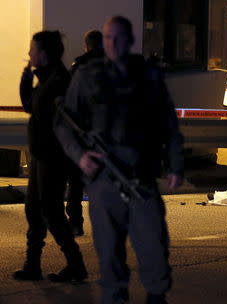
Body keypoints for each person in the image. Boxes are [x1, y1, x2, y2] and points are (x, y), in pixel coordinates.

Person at [55, 16, 184, 304]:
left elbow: (168, 124)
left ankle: (156, 296)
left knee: (154, 248)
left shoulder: (148, 76)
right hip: (103, 181)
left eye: (118, 37)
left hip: (141, 177)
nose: (112, 43)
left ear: (130, 40)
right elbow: (64, 124)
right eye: (107, 37)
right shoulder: (87, 75)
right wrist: (80, 156)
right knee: (109, 256)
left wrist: (175, 165)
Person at [15, 30, 87, 283]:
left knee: (51, 211)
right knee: (34, 210)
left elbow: (45, 114)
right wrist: (26, 82)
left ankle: (75, 264)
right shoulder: (46, 78)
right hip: (40, 155)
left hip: (53, 156)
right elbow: (31, 108)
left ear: (43, 54)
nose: (29, 53)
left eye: (32, 49)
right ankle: (32, 265)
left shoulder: (58, 81)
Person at [66, 30, 104, 237]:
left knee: (76, 180)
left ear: (86, 46)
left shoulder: (78, 66)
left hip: (81, 132)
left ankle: (75, 223)